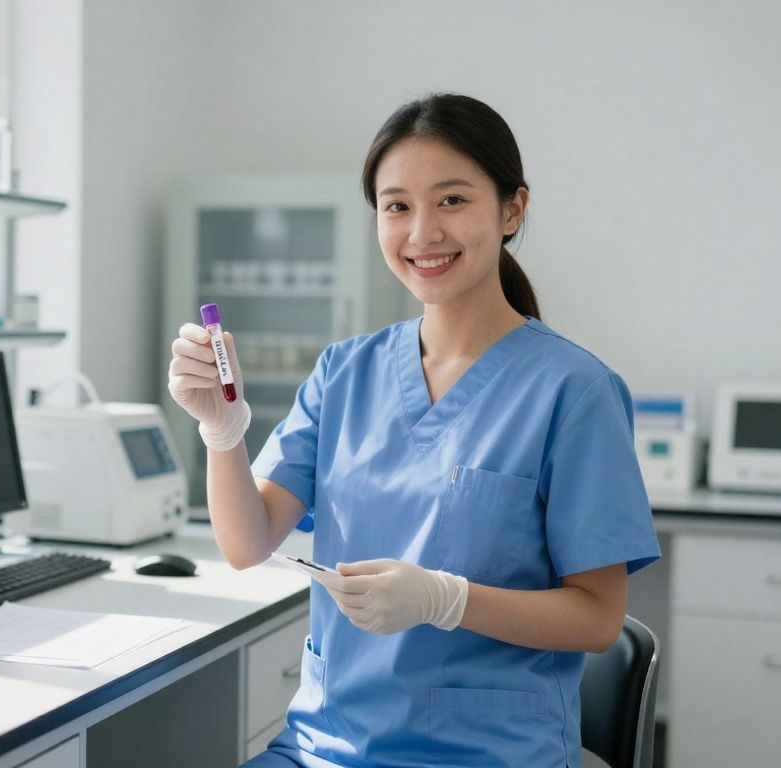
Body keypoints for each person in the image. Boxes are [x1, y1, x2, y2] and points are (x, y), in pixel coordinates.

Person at [167, 93, 660, 768]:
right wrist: (222, 434)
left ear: (512, 209)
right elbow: (247, 542)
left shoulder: (574, 391)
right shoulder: (345, 372)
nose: (422, 232)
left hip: (487, 753)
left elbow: (598, 619)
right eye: (397, 206)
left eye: (452, 201)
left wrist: (444, 599)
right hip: (326, 746)